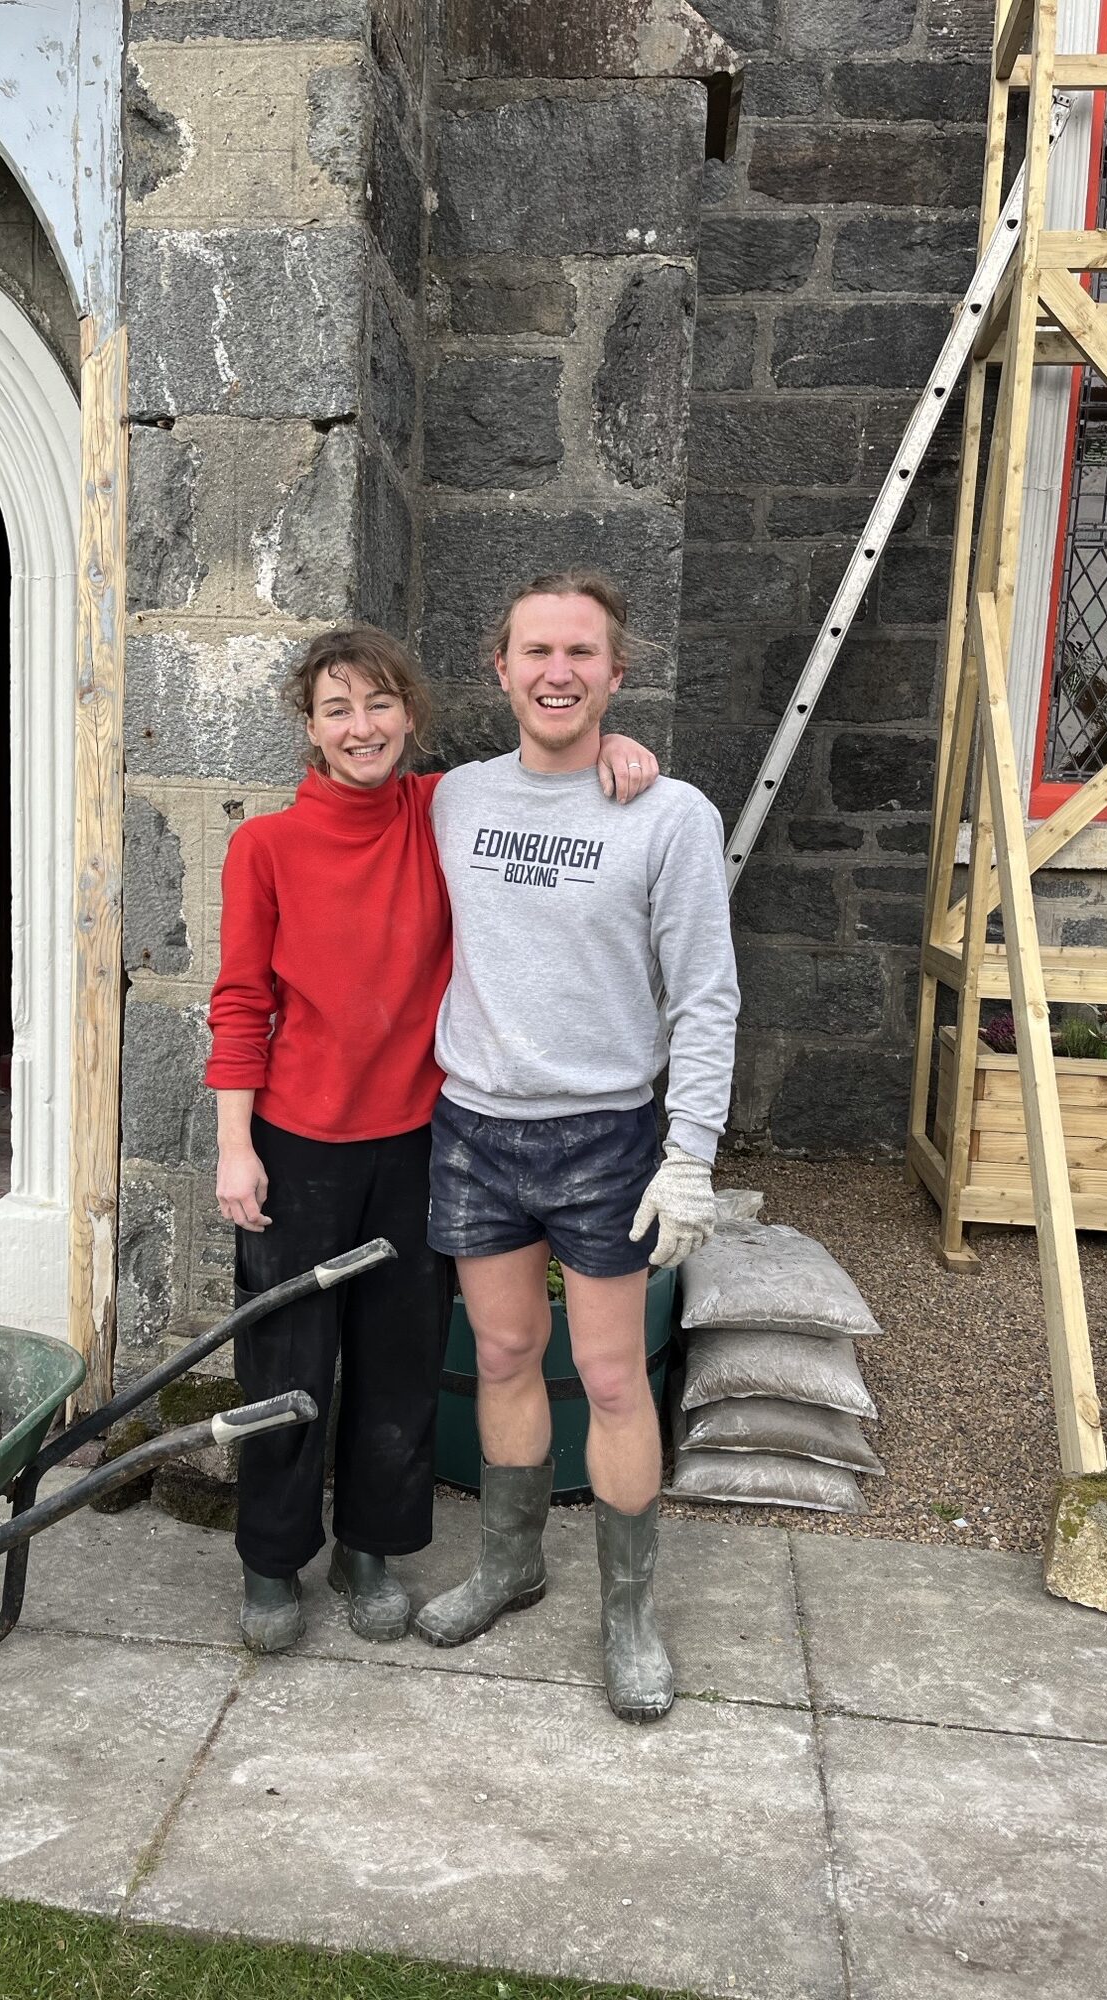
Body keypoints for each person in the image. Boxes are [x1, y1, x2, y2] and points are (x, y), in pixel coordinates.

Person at [206, 625, 659, 1654]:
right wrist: (237, 1145)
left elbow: (549, 761)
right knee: (287, 1360)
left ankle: (371, 1548)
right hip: (298, 1142)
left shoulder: (445, 808)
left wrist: (619, 751)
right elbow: (239, 1003)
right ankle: (272, 1560)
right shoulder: (265, 847)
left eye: (378, 704)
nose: (361, 726)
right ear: (310, 728)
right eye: (337, 709)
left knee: (399, 1359)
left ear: (410, 714)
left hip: (419, 1139)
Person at [412, 571, 738, 1724]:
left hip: (607, 1134)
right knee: (503, 1357)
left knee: (607, 1375)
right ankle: (509, 1561)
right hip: (476, 1126)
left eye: (582, 653)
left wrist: (688, 1151)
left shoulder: (670, 816)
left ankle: (628, 1610)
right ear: (498, 668)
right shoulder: (453, 798)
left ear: (616, 671)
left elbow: (705, 997)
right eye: (537, 650)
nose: (559, 671)